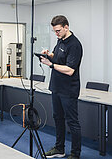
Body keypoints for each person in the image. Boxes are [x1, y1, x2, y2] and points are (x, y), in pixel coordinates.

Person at [40, 15, 83, 159]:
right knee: (58, 118)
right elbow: (57, 57)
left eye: (58, 30)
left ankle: (75, 154)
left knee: (72, 122)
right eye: (54, 31)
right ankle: (59, 149)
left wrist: (50, 65)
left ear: (66, 27)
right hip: (56, 87)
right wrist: (49, 55)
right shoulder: (60, 41)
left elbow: (70, 70)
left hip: (68, 90)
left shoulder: (75, 45)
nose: (56, 34)